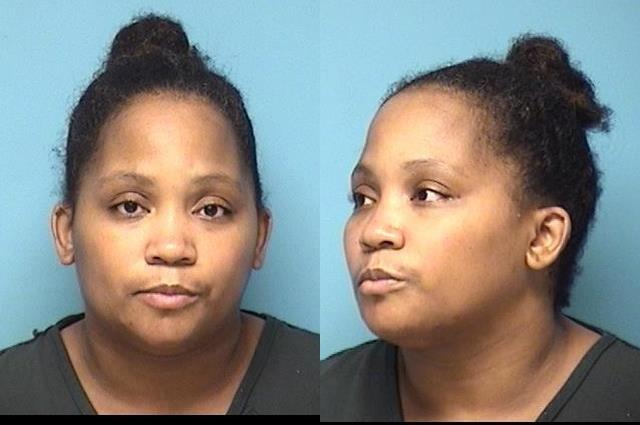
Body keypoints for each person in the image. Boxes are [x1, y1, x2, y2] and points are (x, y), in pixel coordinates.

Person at [0, 14, 318, 415]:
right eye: (130, 206)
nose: (171, 247)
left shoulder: (322, 388)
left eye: (211, 209)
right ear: (66, 232)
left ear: (260, 236)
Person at [321, 34, 640, 421]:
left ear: (542, 237)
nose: (373, 232)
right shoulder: (322, 397)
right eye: (363, 198)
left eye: (427, 194)